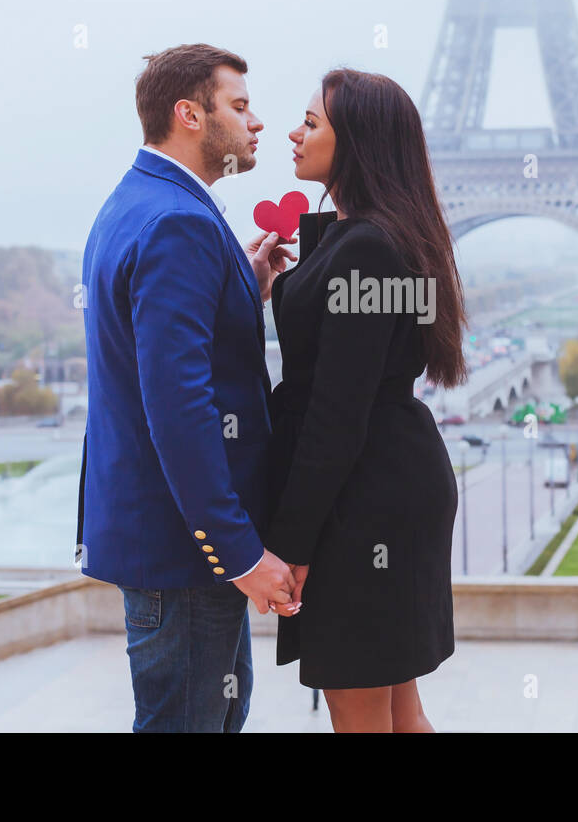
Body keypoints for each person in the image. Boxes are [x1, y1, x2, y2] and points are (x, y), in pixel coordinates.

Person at [77, 44, 300, 732]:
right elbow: (179, 409)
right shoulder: (179, 222)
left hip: (163, 539)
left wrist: (243, 288)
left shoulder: (140, 202)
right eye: (239, 106)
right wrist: (236, 551)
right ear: (189, 114)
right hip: (186, 554)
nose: (258, 122)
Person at [264, 67, 468, 732]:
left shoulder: (367, 250)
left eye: (313, 122)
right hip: (388, 486)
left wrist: (293, 546)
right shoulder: (384, 239)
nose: (294, 132)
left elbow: (334, 414)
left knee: (362, 710)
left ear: (356, 141)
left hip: (362, 503)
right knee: (399, 711)